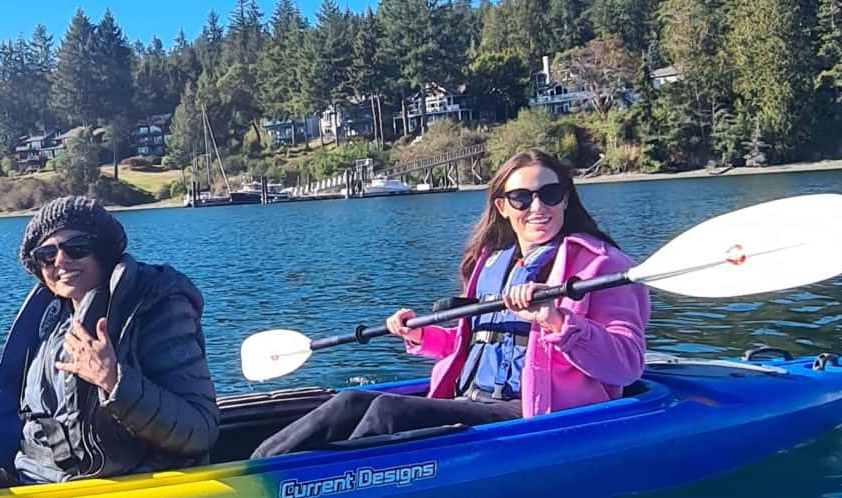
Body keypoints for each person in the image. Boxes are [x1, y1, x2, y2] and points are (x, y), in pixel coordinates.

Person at [252, 152, 649, 459]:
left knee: (388, 412)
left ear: (566, 199)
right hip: (470, 398)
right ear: (503, 207)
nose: (537, 207)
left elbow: (626, 364)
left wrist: (556, 320)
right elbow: (474, 344)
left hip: (530, 411)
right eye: (521, 197)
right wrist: (421, 335)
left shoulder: (602, 266)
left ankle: (323, 490)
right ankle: (258, 467)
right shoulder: (492, 263)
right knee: (351, 401)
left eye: (550, 193)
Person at [0, 195, 219, 488]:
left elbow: (200, 429)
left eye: (76, 248)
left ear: (103, 254)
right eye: (47, 255)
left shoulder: (155, 309)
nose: (60, 262)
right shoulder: (55, 318)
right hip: (35, 476)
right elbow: (45, 404)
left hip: (103, 490)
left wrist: (114, 381)